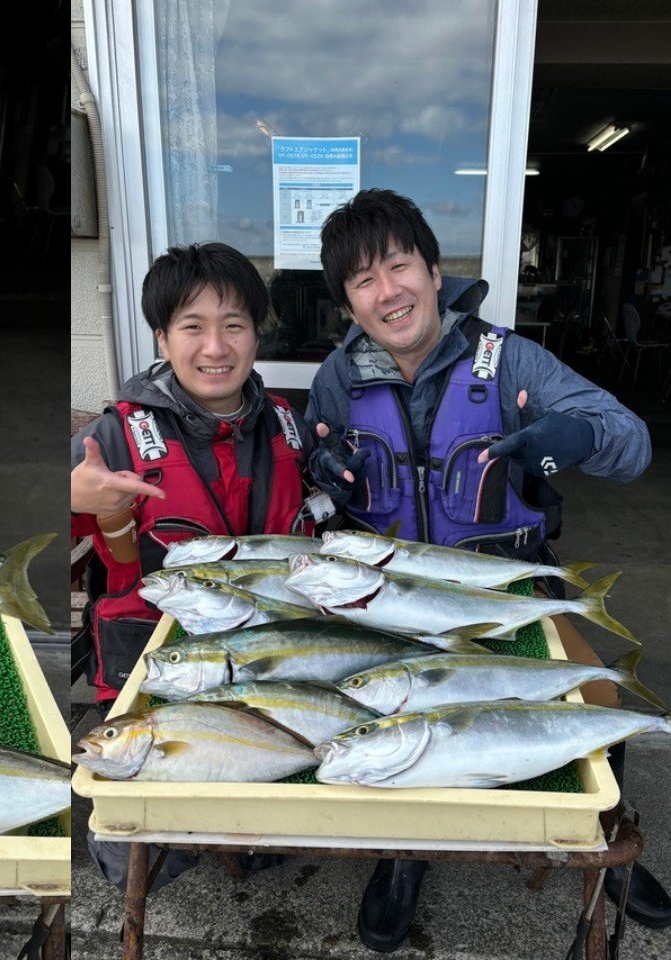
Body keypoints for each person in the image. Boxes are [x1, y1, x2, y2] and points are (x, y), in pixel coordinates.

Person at [307, 188, 666, 952]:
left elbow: (630, 443)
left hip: (515, 589)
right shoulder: (340, 375)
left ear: (435, 273)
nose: (387, 292)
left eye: (399, 266)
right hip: (395, 606)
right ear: (348, 300)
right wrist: (323, 466)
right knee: (378, 719)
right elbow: (319, 455)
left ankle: (610, 836)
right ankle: (404, 858)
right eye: (364, 281)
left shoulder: (509, 362)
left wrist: (573, 436)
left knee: (601, 698)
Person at [71, 242, 312, 707]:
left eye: (234, 326)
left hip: (276, 667)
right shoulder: (114, 437)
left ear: (256, 336)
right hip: (151, 673)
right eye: (192, 327)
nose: (216, 348)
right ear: (162, 338)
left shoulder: (291, 427)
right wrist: (72, 498)